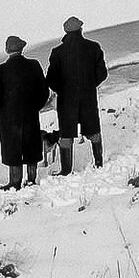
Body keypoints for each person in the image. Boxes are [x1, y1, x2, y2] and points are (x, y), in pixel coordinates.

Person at [46, 16, 108, 175]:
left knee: (66, 134)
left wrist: (63, 90)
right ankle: (99, 162)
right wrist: (89, 85)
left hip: (67, 101)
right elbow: (102, 74)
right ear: (81, 29)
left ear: (66, 32)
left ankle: (66, 170)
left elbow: (51, 80)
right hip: (88, 97)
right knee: (93, 130)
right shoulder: (94, 47)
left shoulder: (57, 52)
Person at [0, 35, 50, 190]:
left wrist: (2, 115)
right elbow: (44, 92)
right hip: (30, 114)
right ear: (22, 48)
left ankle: (14, 182)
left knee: (13, 150)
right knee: (31, 147)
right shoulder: (34, 65)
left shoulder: (2, 70)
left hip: (9, 119)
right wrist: (35, 107)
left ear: (7, 50)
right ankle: (31, 180)